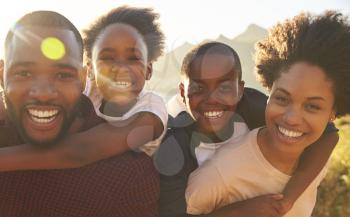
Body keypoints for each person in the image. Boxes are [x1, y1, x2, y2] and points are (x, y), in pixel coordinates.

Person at [185, 11, 350, 217]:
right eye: (282, 98)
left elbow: (331, 136)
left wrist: (286, 201)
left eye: (312, 107)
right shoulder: (219, 175)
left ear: (332, 113)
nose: (291, 118)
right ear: (268, 92)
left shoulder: (315, 155)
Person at [0, 10, 159, 216]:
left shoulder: (128, 175)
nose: (43, 93)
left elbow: (81, 151)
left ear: (83, 78)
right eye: (24, 73)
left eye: (62, 75)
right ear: (2, 76)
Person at [154, 39, 339, 216]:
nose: (212, 99)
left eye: (225, 88)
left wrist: (288, 199)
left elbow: (329, 133)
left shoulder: (256, 107)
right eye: (198, 88)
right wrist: (238, 212)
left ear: (240, 90)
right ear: (182, 93)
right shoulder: (172, 148)